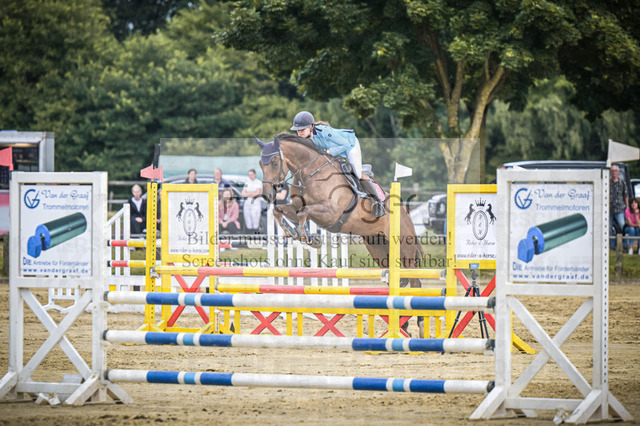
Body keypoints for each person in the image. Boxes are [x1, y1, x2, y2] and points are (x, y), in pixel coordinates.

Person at [290, 110, 385, 217]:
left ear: (311, 127)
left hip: (350, 145)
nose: (300, 132)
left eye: (302, 129)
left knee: (357, 174)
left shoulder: (324, 131)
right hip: (334, 149)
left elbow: (345, 145)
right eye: (297, 130)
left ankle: (378, 201)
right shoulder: (306, 139)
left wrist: (328, 152)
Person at [609, 164, 629, 249]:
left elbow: (625, 195)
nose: (614, 172)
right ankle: (612, 246)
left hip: (620, 209)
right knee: (609, 228)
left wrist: (627, 207)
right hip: (609, 209)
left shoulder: (622, 182)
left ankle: (625, 244)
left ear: (618, 172)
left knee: (622, 226)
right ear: (610, 172)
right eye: (612, 171)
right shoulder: (607, 182)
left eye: (615, 171)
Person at [242, 168, 262, 233]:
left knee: (255, 218)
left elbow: (257, 193)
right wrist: (252, 193)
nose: (250, 176)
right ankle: (249, 233)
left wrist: (248, 194)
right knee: (248, 219)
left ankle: (256, 233)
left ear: (255, 174)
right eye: (249, 175)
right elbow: (243, 193)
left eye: (251, 174)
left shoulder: (258, 182)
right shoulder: (247, 183)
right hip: (247, 203)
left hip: (255, 203)